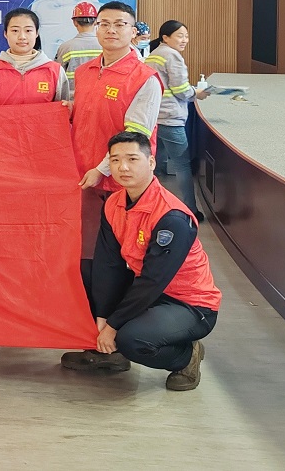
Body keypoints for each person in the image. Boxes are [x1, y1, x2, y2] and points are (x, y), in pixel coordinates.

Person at [61, 131, 221, 391]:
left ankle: (186, 356)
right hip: (149, 290)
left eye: (132, 159)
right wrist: (102, 315)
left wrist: (113, 326)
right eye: (115, 160)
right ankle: (109, 354)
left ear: (151, 162)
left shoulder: (172, 217)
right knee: (82, 274)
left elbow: (153, 281)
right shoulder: (114, 203)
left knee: (132, 339)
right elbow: (108, 263)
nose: (123, 167)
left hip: (188, 304)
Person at [72, 1, 163, 259]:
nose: (111, 30)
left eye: (120, 24)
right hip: (85, 178)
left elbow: (135, 138)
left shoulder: (144, 78)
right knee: (87, 250)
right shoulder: (84, 72)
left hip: (121, 180)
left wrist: (102, 170)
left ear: (133, 31)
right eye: (104, 24)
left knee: (121, 254)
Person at [145, 20, 210, 220]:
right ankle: (191, 209)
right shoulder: (172, 55)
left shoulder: (154, 54)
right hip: (170, 117)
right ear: (165, 37)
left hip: (154, 117)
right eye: (180, 36)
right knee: (182, 165)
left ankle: (153, 206)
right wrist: (197, 93)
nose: (184, 40)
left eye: (186, 36)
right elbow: (181, 90)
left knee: (155, 164)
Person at [0, 8, 68, 105]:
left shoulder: (55, 71)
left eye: (28, 30)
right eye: (15, 30)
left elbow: (62, 110)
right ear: (5, 33)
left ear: (36, 33)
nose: (22, 36)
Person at [55, 1, 101, 98]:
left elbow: (57, 75)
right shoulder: (105, 46)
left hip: (72, 99)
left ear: (75, 22)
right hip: (99, 97)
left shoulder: (65, 47)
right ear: (96, 22)